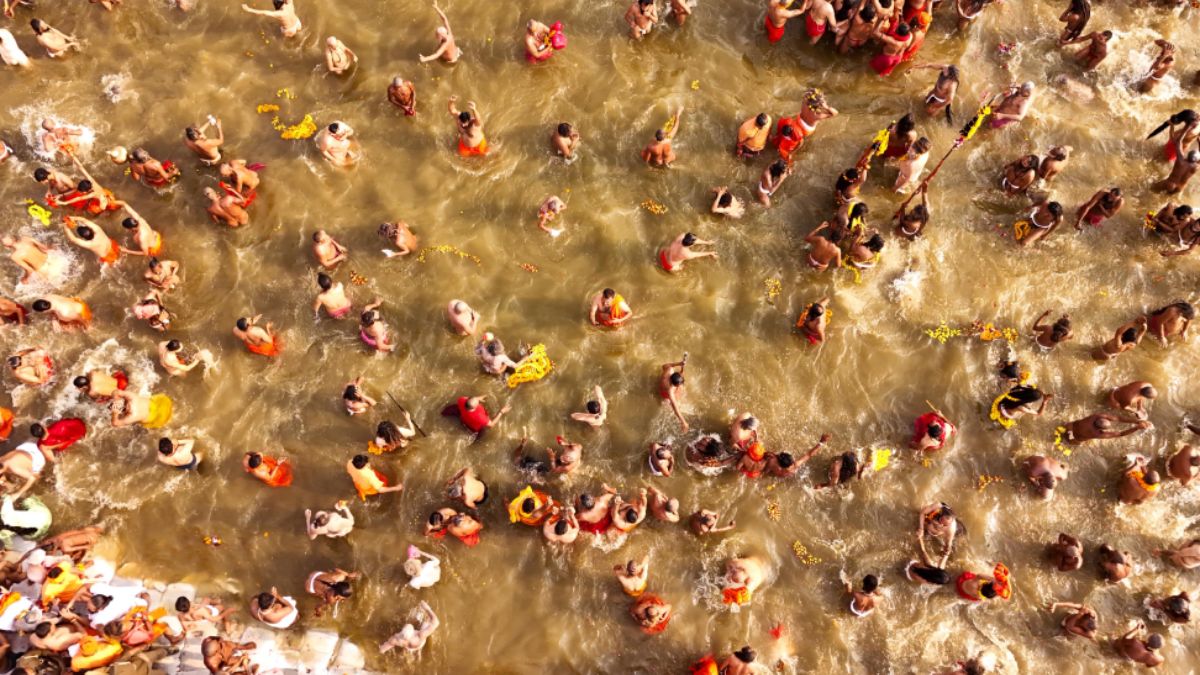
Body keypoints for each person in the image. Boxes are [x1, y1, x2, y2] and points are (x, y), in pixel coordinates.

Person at [1152, 130, 1200, 195]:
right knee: (1165, 197)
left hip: (1170, 183)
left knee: (1152, 189)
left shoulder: (1181, 160)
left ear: (1188, 156)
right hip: (1179, 188)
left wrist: (1186, 128)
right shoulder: (1196, 167)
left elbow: (1179, 141)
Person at [1060, 412, 1149, 445]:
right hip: (1072, 439)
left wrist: (1136, 421)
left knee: (1067, 428)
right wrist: (1136, 428)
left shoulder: (1095, 416)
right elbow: (1120, 434)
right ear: (1100, 430)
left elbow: (1117, 418)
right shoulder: (1097, 433)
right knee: (1076, 442)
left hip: (1069, 426)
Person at [918, 503, 961, 568]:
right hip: (929, 520)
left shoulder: (951, 527)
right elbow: (922, 513)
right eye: (941, 521)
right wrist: (921, 528)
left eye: (945, 525)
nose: (941, 525)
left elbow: (948, 542)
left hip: (935, 532)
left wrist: (947, 549)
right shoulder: (937, 507)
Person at [444, 395, 510, 435]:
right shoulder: (480, 416)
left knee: (453, 409)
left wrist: (477, 398)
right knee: (482, 435)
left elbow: (468, 399)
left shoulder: (461, 400)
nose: (479, 402)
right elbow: (491, 425)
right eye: (478, 403)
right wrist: (501, 412)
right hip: (473, 428)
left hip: (463, 418)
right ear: (475, 407)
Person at [658, 357, 688, 432]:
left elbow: (664, 366)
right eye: (679, 385)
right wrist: (683, 421)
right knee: (680, 393)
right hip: (664, 394)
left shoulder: (670, 370)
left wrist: (680, 363)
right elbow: (675, 407)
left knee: (681, 384)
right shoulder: (670, 391)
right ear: (675, 385)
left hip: (661, 385)